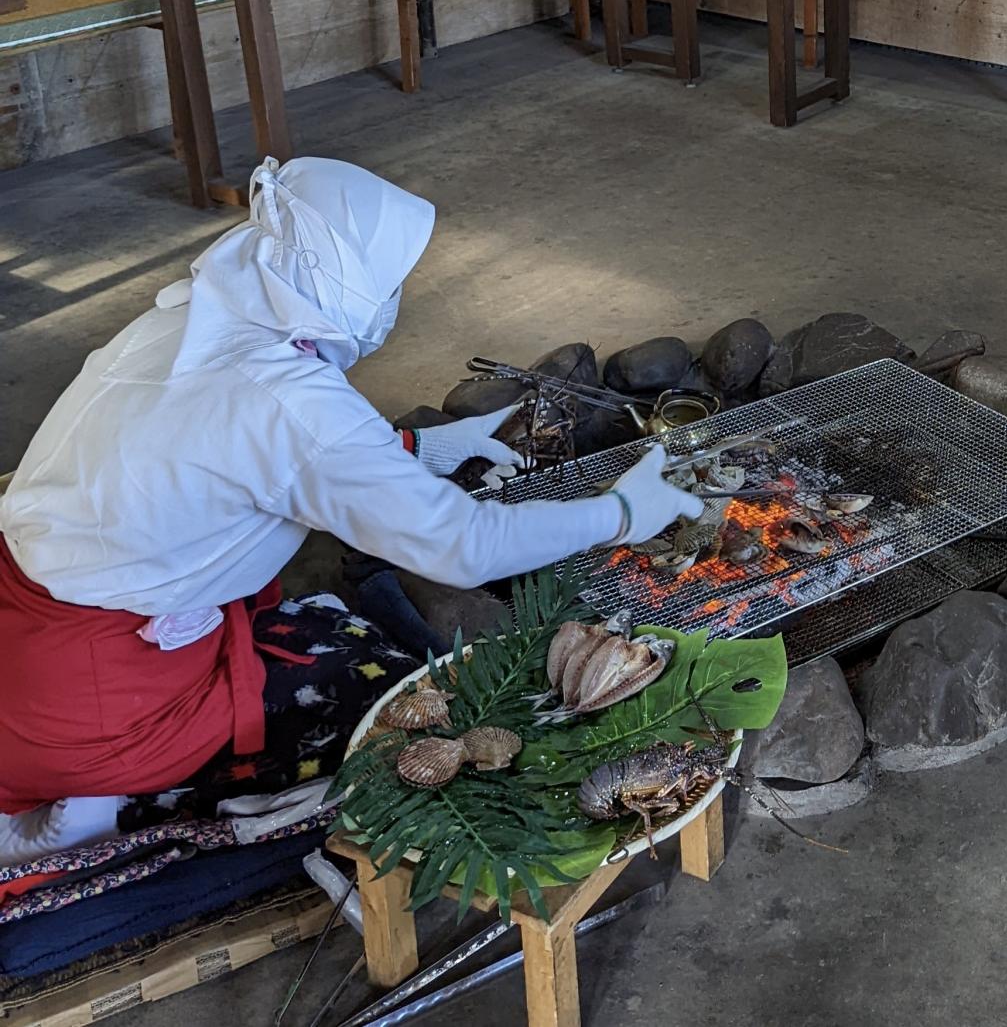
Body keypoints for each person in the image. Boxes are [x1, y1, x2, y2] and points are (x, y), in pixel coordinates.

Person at [0, 157, 702, 860]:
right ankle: (96, 795)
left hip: (23, 614)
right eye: (386, 283)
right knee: (368, 709)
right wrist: (618, 512)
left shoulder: (197, 316)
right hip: (89, 691)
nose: (394, 300)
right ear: (336, 281)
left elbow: (236, 446)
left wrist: (422, 446)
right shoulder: (288, 400)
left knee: (318, 631)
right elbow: (466, 546)